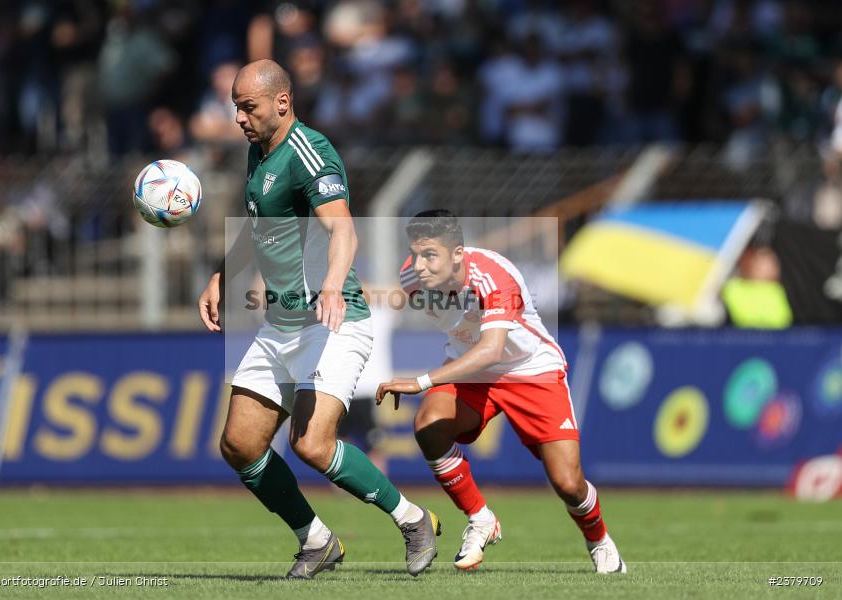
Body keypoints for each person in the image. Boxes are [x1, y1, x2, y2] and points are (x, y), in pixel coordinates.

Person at [197, 59, 440, 579]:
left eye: (248, 107)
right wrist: (222, 274)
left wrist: (332, 284)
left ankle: (412, 519)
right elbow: (257, 228)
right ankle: (317, 540)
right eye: (236, 107)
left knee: (311, 444)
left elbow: (343, 230)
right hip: (282, 324)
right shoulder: (257, 153)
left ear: (281, 102)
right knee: (239, 444)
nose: (238, 117)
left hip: (333, 318)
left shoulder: (311, 152)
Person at [376, 210, 626, 573]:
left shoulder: (494, 277)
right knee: (429, 425)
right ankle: (480, 518)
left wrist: (422, 380)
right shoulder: (412, 279)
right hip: (473, 373)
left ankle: (599, 540)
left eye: (430, 255)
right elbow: (462, 335)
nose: (420, 265)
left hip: (530, 370)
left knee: (568, 482)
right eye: (415, 253)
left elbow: (492, 349)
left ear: (457, 253)